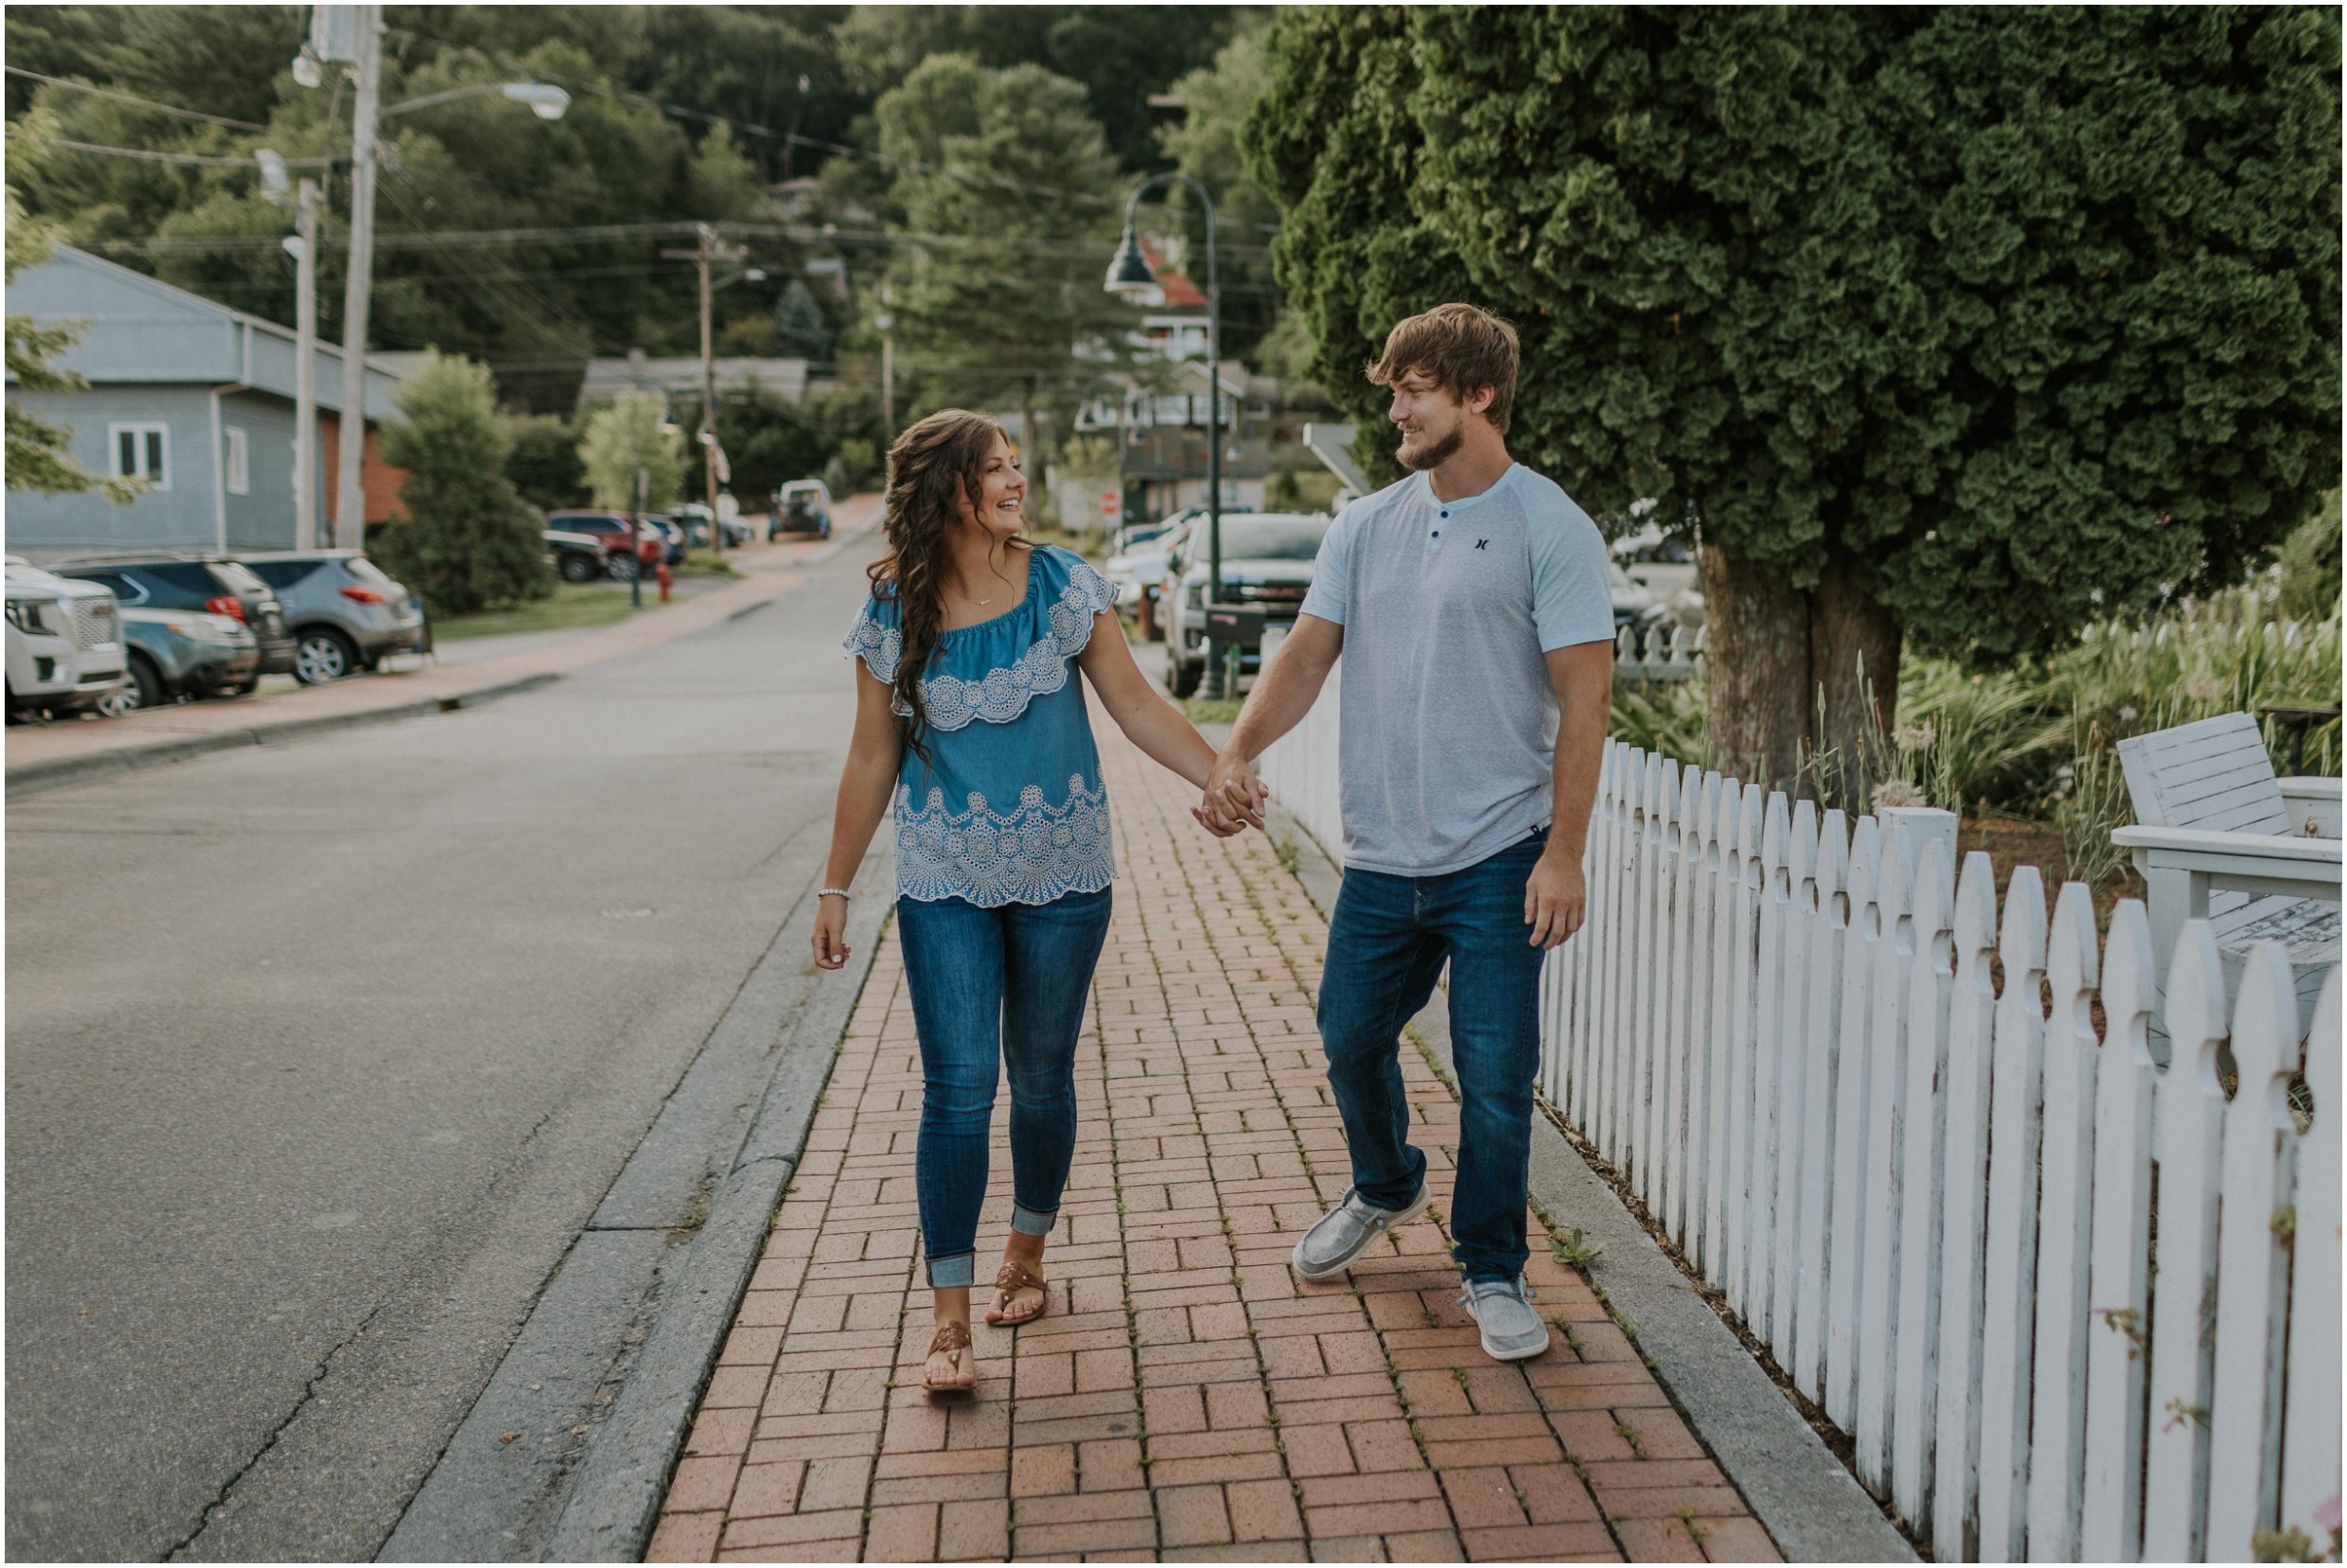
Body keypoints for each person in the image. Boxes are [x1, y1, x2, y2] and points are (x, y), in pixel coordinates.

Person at [1199, 304, 1615, 1363]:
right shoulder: (1364, 523)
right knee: (1347, 1039)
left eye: (1412, 389)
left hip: (1497, 853)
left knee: (1493, 1073)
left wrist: (1562, 850)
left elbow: (1585, 699)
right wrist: (1233, 752)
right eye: (1391, 389)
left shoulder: (1549, 525)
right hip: (1382, 854)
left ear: (1475, 395)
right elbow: (1302, 656)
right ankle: (1386, 1183)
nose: (1392, 409)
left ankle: (1490, 1266)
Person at [812, 410, 1258, 1395]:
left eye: (1018, 464)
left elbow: (1135, 703)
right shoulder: (892, 611)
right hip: (943, 879)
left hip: (1064, 868)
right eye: (994, 470)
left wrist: (1214, 773)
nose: (1015, 481)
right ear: (948, 492)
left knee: (1042, 1074)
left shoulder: (1061, 584)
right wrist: (836, 883)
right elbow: (869, 753)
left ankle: (1027, 1250)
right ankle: (948, 1316)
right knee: (957, 1088)